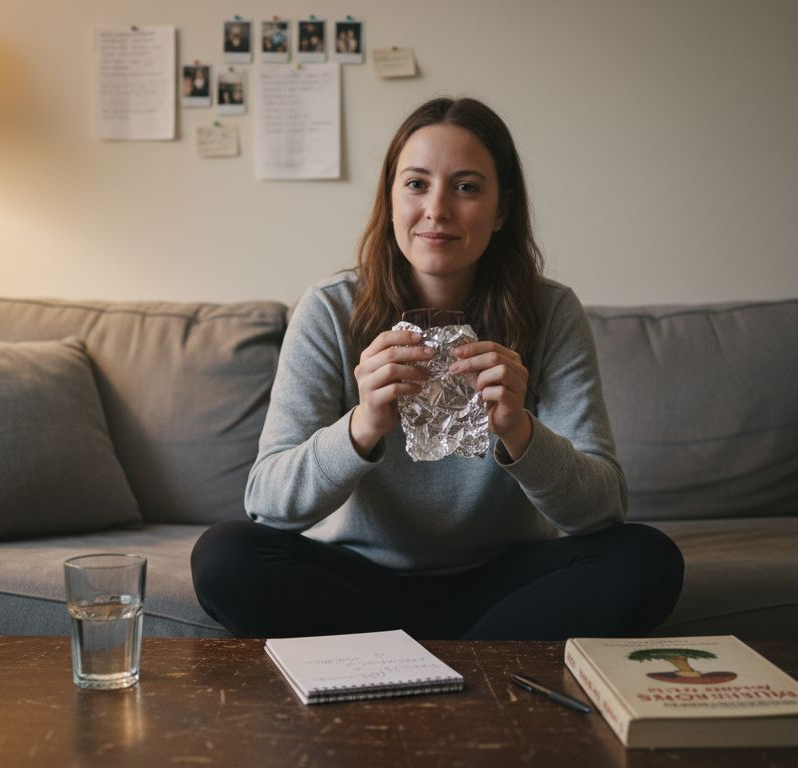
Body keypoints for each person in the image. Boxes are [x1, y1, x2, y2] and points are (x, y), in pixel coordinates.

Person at [191, 97, 683, 641]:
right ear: (389, 198)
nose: (438, 209)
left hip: (506, 581)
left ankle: (412, 663)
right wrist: (363, 426)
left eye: (467, 187)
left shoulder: (551, 312)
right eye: (417, 184)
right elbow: (267, 504)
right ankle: (479, 664)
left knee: (647, 558)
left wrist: (519, 431)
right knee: (225, 555)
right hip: (361, 582)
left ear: (501, 210)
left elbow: (602, 509)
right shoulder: (330, 309)